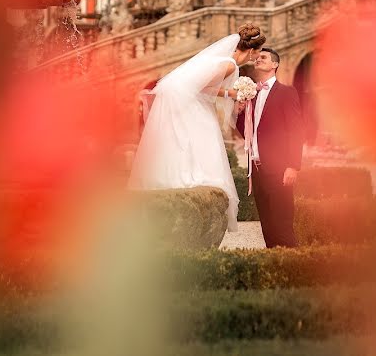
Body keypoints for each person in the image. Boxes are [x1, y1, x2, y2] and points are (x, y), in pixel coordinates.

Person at [128, 23, 267, 231]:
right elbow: (202, 86)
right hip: (191, 103)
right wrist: (232, 93)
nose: (255, 58)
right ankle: (193, 184)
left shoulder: (224, 60)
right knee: (201, 142)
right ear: (250, 50)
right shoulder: (229, 64)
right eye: (256, 54)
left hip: (187, 99)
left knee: (185, 142)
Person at [236, 48, 305, 247]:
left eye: (263, 57)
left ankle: (295, 270)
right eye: (257, 57)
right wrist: (240, 112)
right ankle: (275, 271)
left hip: (279, 169)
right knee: (267, 228)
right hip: (257, 170)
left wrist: (293, 165)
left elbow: (296, 130)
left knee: (282, 227)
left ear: (275, 64)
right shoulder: (253, 95)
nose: (258, 59)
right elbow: (247, 132)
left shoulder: (286, 92)